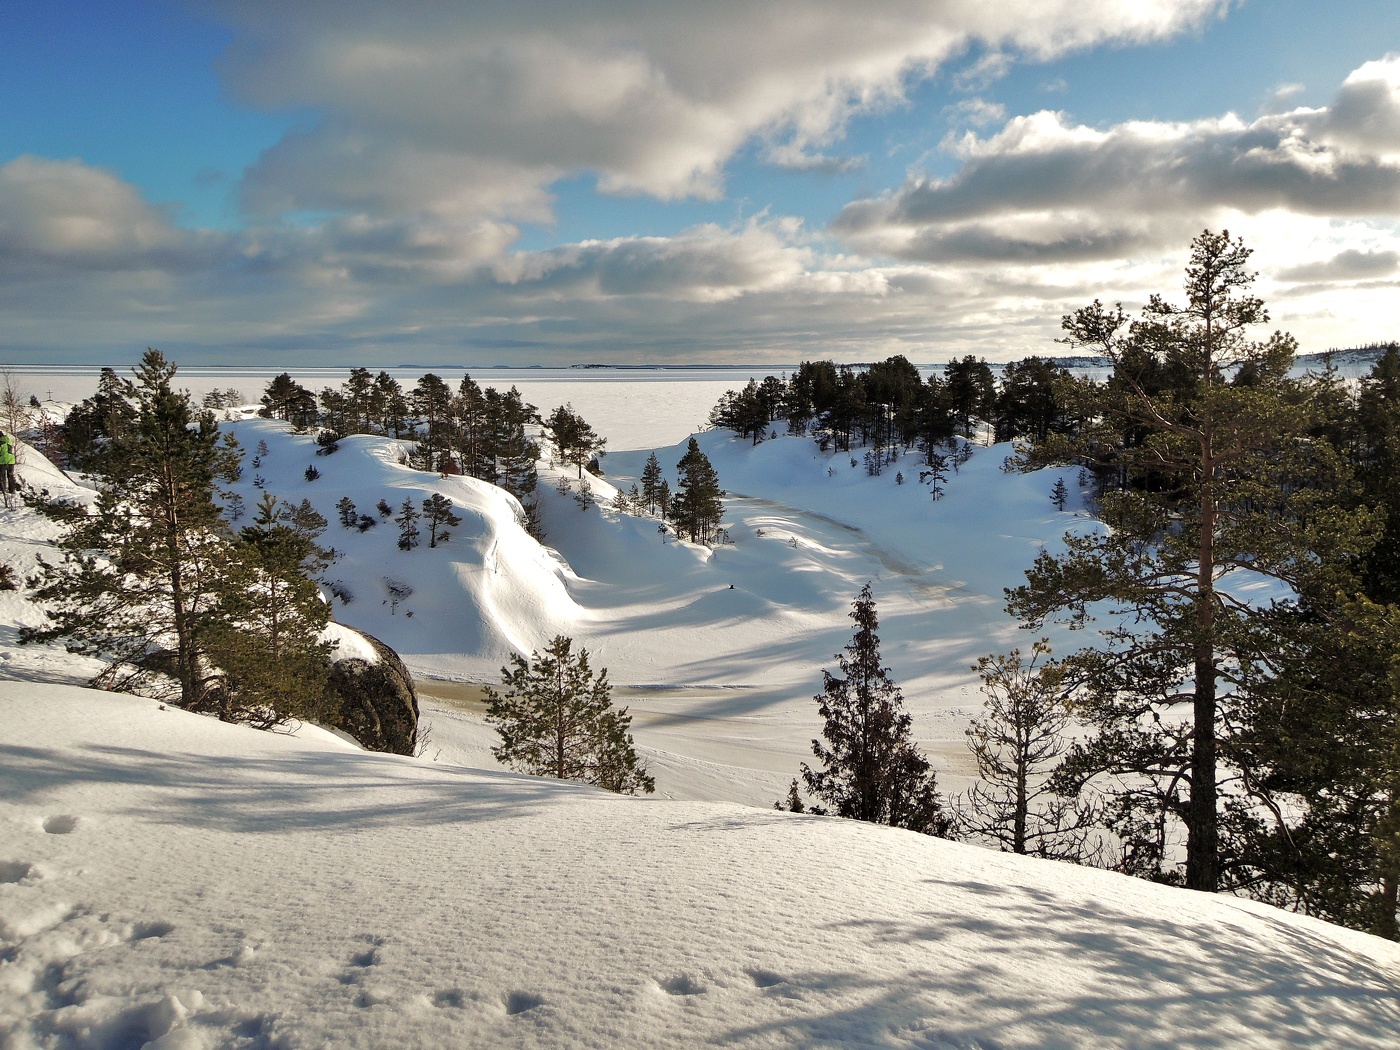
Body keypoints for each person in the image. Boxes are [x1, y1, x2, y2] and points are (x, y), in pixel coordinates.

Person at [0, 431, 16, 499]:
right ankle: (12, 489)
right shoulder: (8, 440)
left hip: (3, 461)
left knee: (1, 476)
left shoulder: (0, 442)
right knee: (10, 475)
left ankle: (2, 489)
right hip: (11, 460)